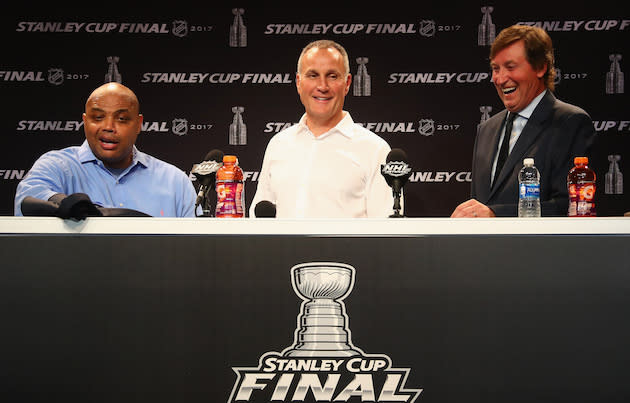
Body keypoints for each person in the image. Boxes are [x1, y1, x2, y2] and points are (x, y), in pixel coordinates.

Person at [451, 25, 595, 218]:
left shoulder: (569, 123)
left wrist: (495, 214)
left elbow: (569, 207)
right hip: (484, 248)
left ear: (540, 67)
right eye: (495, 68)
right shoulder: (487, 129)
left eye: (510, 67)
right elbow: (480, 205)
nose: (500, 79)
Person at [250, 39, 395, 218]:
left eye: (332, 76)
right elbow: (259, 220)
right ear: (298, 82)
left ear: (347, 83)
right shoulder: (278, 144)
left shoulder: (375, 150)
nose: (322, 86)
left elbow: (387, 234)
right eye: (313, 75)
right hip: (283, 248)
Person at [14, 82, 197, 217]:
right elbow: (27, 199)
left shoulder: (175, 183)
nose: (108, 126)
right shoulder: (57, 166)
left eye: (122, 119)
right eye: (98, 117)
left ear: (139, 124)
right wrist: (64, 203)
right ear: (85, 122)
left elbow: (195, 249)